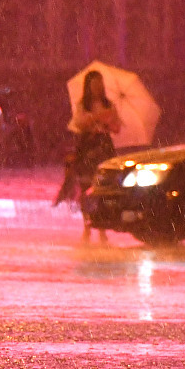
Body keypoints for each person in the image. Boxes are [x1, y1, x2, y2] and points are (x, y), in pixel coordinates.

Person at [60, 70, 121, 243]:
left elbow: (117, 128)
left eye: (100, 84)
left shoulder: (109, 104)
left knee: (103, 188)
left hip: (104, 147)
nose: (97, 88)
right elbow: (78, 123)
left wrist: (108, 122)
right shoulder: (83, 105)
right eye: (94, 84)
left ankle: (102, 228)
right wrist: (94, 118)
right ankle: (87, 225)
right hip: (88, 147)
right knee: (87, 187)